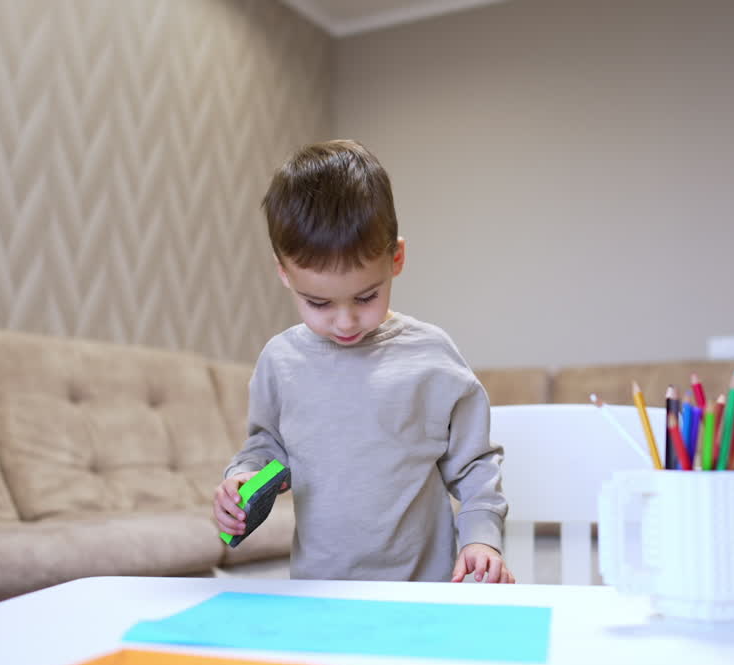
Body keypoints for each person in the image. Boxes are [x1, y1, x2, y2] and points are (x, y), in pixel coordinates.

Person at [213, 139, 513, 584]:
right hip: (320, 592)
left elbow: (473, 464)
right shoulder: (281, 362)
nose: (345, 321)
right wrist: (242, 480)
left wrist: (480, 538)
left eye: (366, 296)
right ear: (284, 273)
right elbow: (269, 448)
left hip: (423, 593)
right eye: (318, 303)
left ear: (396, 259)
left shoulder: (431, 356)